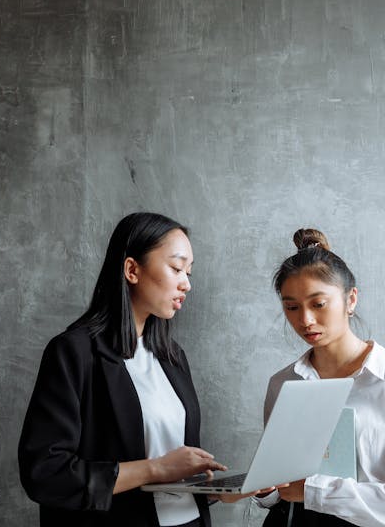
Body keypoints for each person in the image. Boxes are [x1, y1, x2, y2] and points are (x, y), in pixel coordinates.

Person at [18, 212, 266, 527]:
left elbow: (171, 483)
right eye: (176, 268)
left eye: (189, 272)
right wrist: (155, 468)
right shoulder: (74, 353)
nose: (186, 283)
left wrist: (215, 491)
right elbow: (45, 474)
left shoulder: (173, 357)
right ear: (132, 269)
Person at [254, 228, 385, 527]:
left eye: (318, 304)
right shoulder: (283, 383)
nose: (305, 320)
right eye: (291, 307)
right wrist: (263, 489)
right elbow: (277, 489)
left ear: (350, 299)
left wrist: (313, 492)